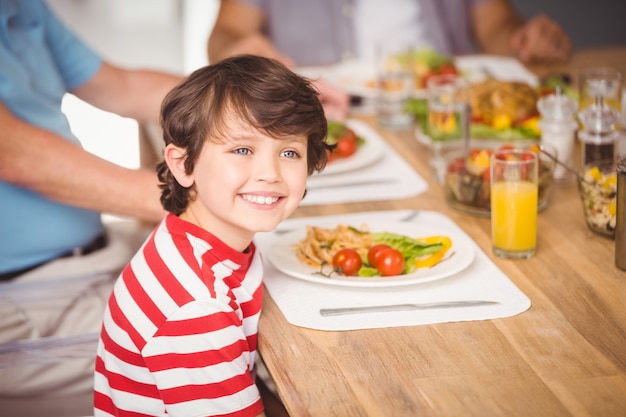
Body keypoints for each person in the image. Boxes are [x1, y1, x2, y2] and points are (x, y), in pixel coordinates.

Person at [93, 54, 330, 417]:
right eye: (241, 149)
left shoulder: (193, 240)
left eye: (289, 151)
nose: (269, 173)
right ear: (183, 164)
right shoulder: (198, 308)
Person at [0, 0, 182, 414]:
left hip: (92, 258)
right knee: (227, 346)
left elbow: (123, 88)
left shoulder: (20, 6)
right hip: (24, 303)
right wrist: (188, 198)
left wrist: (263, 104)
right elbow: (14, 155)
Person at [208, 0, 572, 68]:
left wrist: (525, 40)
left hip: (442, 112)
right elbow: (225, 33)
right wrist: (238, 50)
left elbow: (495, 25)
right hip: (323, 120)